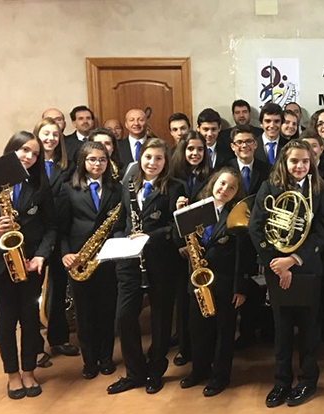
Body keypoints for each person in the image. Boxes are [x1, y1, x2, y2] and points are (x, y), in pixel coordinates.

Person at [248, 140, 324, 408]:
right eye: (294, 161)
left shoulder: (318, 189)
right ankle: (282, 382)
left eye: (305, 161)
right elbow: (256, 227)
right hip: (275, 267)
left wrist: (292, 260)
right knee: (281, 330)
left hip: (306, 269)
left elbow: (322, 231)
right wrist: (276, 263)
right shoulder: (269, 187)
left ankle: (308, 380)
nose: (300, 166)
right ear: (284, 162)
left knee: (309, 329)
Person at [0, 132, 56, 399]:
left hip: (30, 262)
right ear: (11, 150)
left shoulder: (40, 185)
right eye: (24, 150)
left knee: (30, 319)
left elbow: (51, 227)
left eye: (35, 154)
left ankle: (29, 371)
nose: (29, 157)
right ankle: (12, 374)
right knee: (6, 319)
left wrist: (42, 256)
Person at [106, 138, 186, 395]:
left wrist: (150, 237)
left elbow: (177, 226)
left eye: (159, 158)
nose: (153, 163)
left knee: (161, 318)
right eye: (148, 157)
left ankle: (155, 370)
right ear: (140, 158)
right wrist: (119, 241)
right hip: (129, 262)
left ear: (166, 161)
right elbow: (121, 222)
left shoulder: (176, 187)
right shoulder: (129, 186)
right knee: (124, 317)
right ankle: (134, 372)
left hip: (161, 260)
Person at [177, 168, 250, 397]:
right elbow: (180, 238)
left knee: (224, 331)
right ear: (213, 183)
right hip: (198, 281)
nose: (225, 190)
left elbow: (243, 256)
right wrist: (180, 216)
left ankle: (220, 377)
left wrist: (240, 288)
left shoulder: (236, 217)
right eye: (222, 184)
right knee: (197, 330)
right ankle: (199, 370)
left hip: (225, 284)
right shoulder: (197, 209)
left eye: (232, 187)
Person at [57, 141, 121, 379]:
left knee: (107, 311)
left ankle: (106, 357)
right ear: (82, 162)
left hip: (107, 258)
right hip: (78, 259)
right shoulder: (67, 189)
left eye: (102, 159)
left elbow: (119, 222)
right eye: (92, 159)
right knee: (84, 314)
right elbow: (61, 228)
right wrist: (65, 253)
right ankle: (89, 360)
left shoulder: (117, 189)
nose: (98, 164)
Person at [33, 118, 79, 364]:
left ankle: (59, 338)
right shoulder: (28, 165)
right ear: (37, 135)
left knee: (59, 289)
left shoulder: (68, 166)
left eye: (55, 134)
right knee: (32, 294)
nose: (50, 138)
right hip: (35, 239)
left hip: (60, 234)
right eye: (45, 133)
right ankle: (35, 348)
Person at [228, 125, 272, 349]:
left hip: (260, 232)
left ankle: (265, 330)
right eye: (239, 143)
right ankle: (245, 332)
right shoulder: (224, 169)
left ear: (256, 144)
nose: (244, 146)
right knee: (241, 282)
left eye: (248, 141)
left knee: (262, 284)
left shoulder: (267, 169)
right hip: (234, 236)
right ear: (233, 147)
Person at [170, 131, 212, 366]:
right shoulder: (173, 178)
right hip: (179, 251)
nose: (195, 153)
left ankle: (202, 349)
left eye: (199, 149)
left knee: (200, 300)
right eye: (190, 149)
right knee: (183, 303)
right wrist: (179, 245)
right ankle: (185, 349)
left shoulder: (209, 177)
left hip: (201, 246)